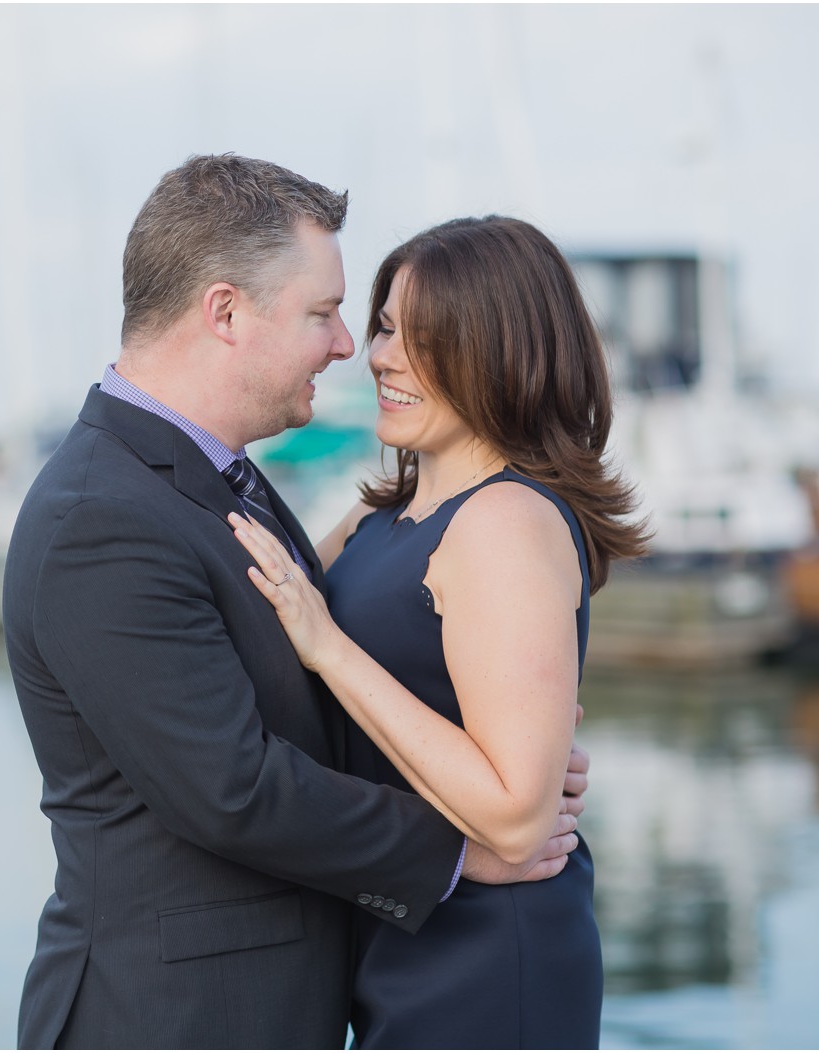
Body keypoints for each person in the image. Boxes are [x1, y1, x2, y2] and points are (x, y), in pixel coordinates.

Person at [3, 155, 589, 1049]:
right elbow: (232, 786)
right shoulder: (102, 516)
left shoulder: (216, 479)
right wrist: (463, 846)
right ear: (227, 311)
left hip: (349, 984)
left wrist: (517, 766)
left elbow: (325, 663)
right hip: (176, 1019)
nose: (352, 346)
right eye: (327, 313)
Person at [231, 215, 649, 1047]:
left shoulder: (507, 520)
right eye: (386, 325)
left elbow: (516, 815)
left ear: (502, 354)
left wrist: (332, 651)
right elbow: (269, 630)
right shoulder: (380, 514)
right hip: (402, 932)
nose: (382, 355)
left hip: (491, 953)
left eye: (426, 338)